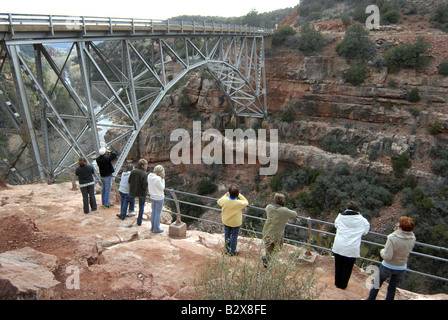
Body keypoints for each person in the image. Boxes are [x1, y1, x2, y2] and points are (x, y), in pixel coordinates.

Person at [366, 216, 416, 300]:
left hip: (388, 266)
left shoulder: (392, 238)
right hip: (401, 266)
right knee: (392, 288)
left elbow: (387, 256)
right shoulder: (412, 238)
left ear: (400, 226)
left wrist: (381, 251)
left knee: (377, 284)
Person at [332, 201, 370, 289]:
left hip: (339, 245)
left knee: (338, 265)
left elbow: (336, 226)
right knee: (347, 268)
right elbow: (365, 232)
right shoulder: (363, 221)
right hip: (352, 247)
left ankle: (337, 283)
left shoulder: (340, 217)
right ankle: (343, 285)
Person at [261, 193, 298, 267]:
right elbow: (295, 214)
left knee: (268, 248)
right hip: (277, 235)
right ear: (283, 201)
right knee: (278, 247)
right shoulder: (285, 211)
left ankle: (267, 259)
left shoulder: (269, 207)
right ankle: (267, 261)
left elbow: (266, 209)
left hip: (267, 232)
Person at [217, 184, 249, 256]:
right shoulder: (238, 203)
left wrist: (225, 195)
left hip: (226, 221)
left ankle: (227, 250)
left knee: (227, 234)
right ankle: (232, 252)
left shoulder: (224, 200)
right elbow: (246, 202)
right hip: (235, 222)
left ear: (229, 192)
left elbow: (218, 201)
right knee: (234, 236)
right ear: (237, 194)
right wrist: (239, 195)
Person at [117, 159, 148, 226]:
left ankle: (123, 214)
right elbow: (145, 184)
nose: (147, 166)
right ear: (142, 165)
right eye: (146, 165)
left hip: (133, 192)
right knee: (141, 206)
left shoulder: (133, 172)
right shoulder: (144, 174)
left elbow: (129, 181)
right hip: (142, 193)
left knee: (126, 200)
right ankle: (139, 221)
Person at [147, 165, 165, 233]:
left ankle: (152, 227)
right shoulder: (158, 179)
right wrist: (163, 179)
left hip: (152, 196)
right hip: (159, 198)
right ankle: (156, 228)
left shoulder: (149, 176)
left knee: (153, 212)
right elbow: (162, 188)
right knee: (158, 213)